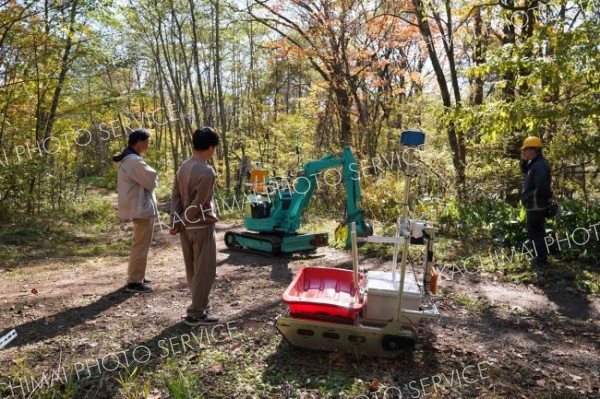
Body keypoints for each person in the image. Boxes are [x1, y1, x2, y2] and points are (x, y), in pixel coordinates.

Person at [170, 127, 220, 326]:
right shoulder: (207, 171)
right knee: (205, 271)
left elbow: (175, 197)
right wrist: (182, 221)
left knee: (193, 270)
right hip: (200, 226)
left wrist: (176, 222)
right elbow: (199, 203)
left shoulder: (184, 166)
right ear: (210, 147)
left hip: (185, 229)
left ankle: (201, 306)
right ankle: (196, 313)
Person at [113, 129, 158, 293]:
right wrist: (156, 178)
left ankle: (138, 275)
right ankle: (134, 281)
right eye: (147, 141)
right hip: (140, 207)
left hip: (139, 206)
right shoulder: (132, 160)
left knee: (141, 243)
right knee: (140, 244)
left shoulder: (130, 158)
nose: (148, 145)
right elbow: (151, 177)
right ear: (139, 141)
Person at [520, 136, 552, 266]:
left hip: (536, 205)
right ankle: (540, 257)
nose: (524, 153)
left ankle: (541, 260)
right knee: (535, 232)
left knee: (536, 232)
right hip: (534, 204)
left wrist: (545, 199)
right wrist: (523, 161)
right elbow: (525, 171)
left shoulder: (539, 165)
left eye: (525, 150)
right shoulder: (535, 162)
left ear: (533, 150)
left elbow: (543, 186)